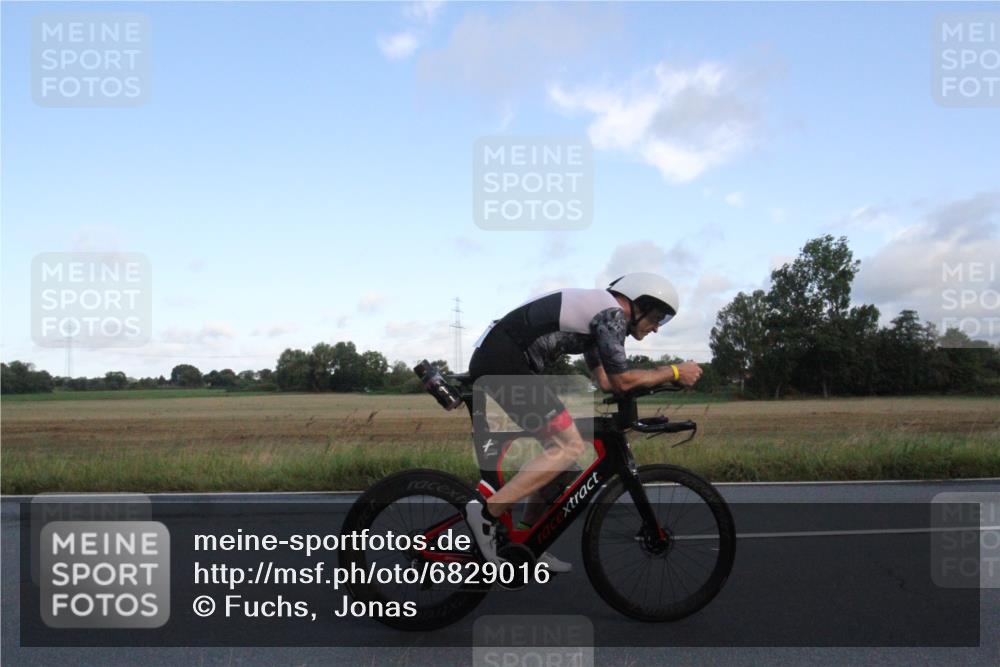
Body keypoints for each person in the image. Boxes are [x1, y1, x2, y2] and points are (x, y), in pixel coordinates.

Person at [464, 272, 703, 569]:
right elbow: (622, 380)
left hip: (503, 360)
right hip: (503, 362)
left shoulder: (598, 319)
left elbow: (605, 380)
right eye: (658, 316)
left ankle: (526, 542)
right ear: (638, 304)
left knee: (565, 464)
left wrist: (658, 380)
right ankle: (488, 513)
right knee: (570, 446)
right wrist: (674, 372)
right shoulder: (611, 314)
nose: (657, 328)